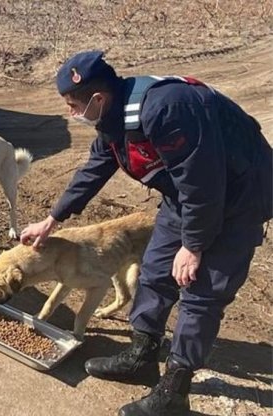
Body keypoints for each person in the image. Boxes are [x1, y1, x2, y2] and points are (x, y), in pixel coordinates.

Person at [20, 51, 272, 415]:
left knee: (201, 292)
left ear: (98, 98)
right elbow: (96, 167)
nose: (72, 114)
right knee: (155, 270)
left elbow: (204, 183)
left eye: (74, 106)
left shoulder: (167, 111)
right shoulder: (115, 116)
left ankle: (174, 391)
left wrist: (194, 245)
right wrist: (53, 219)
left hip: (238, 197)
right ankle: (142, 356)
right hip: (186, 194)